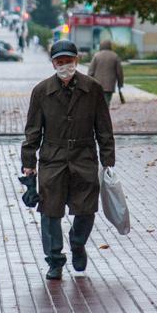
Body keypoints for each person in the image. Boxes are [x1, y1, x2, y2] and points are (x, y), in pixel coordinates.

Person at [21, 40, 115, 280]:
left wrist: (108, 160)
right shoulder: (42, 91)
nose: (65, 66)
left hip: (84, 155)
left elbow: (104, 127)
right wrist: (29, 162)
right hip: (53, 157)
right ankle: (55, 260)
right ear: (53, 63)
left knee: (86, 207)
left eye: (69, 61)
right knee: (50, 210)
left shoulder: (92, 88)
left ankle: (77, 242)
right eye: (60, 62)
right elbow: (32, 131)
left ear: (77, 61)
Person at [87, 39, 124, 105]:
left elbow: (91, 71)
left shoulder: (96, 56)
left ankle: (99, 114)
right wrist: (120, 83)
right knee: (106, 102)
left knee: (98, 102)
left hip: (97, 84)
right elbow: (119, 72)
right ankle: (105, 113)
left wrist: (88, 83)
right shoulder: (115, 56)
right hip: (110, 85)